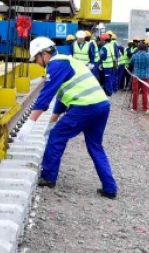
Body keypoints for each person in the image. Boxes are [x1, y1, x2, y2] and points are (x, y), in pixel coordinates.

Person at [26, 36, 118, 198]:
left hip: (85, 107)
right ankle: (110, 189)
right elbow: (61, 99)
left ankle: (48, 177)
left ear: (44, 54)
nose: (36, 62)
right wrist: (51, 122)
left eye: (35, 58)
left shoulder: (56, 64)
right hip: (102, 105)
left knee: (57, 136)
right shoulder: (67, 61)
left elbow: (46, 96)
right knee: (95, 146)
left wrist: (30, 123)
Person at [130, 41, 149, 112]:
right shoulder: (148, 55)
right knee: (145, 92)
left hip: (136, 76)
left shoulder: (134, 55)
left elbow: (131, 63)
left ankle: (134, 108)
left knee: (135, 92)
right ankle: (145, 108)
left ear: (138, 48)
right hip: (146, 76)